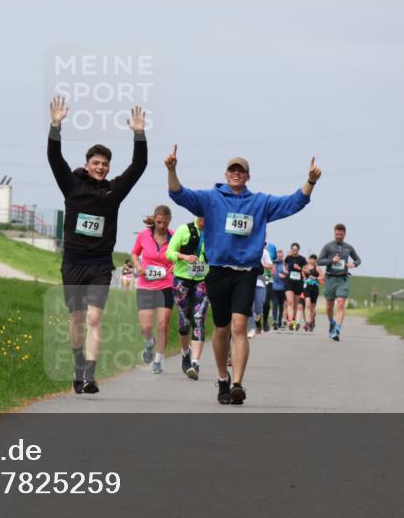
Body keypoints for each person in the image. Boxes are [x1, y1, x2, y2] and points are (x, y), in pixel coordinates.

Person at [167, 146, 320, 405]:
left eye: (241, 171)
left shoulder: (259, 202)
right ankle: (222, 378)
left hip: (246, 273)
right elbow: (178, 194)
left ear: (248, 176)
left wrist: (311, 182)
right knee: (221, 328)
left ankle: (237, 383)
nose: (236, 174)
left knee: (239, 326)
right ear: (226, 174)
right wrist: (171, 169)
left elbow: (293, 203)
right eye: (232, 170)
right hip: (217, 271)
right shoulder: (211, 199)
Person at [47, 95, 147, 394]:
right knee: (77, 318)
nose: (101, 168)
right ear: (87, 165)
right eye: (96, 163)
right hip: (74, 262)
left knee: (93, 317)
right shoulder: (72, 186)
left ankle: (90, 375)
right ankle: (78, 367)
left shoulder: (114, 191)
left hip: (101, 264)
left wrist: (139, 134)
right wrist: (55, 126)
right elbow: (54, 159)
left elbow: (139, 166)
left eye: (105, 164)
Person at [131, 206, 175, 374]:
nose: (161, 226)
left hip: (166, 285)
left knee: (163, 325)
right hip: (145, 285)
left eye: (165, 222)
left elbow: (180, 256)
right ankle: (149, 343)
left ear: (169, 220)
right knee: (146, 327)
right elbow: (134, 254)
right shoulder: (144, 235)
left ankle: (158, 360)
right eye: (158, 222)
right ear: (154, 220)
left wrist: (175, 266)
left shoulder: (174, 237)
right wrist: (138, 266)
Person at [166, 216, 209, 379]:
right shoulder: (184, 229)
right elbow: (169, 253)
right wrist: (185, 257)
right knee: (184, 323)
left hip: (202, 280)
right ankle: (185, 355)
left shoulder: (213, 232)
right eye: (203, 218)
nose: (205, 221)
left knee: (198, 319)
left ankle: (195, 362)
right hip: (182, 280)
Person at [318, 223, 362, 341]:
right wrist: (331, 261)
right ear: (334, 233)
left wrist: (354, 264)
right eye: (337, 234)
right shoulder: (328, 246)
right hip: (330, 278)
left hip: (343, 278)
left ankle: (337, 329)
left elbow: (358, 259)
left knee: (341, 303)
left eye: (341, 234)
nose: (339, 236)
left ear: (344, 234)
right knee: (329, 306)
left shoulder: (349, 247)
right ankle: (332, 322)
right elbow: (319, 261)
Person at [251, 244, 274, 337]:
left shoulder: (264, 252)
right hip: (248, 281)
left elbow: (271, 265)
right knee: (250, 306)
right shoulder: (248, 249)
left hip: (261, 281)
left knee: (260, 307)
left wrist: (262, 264)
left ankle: (260, 320)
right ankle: (253, 328)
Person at [284, 243, 308, 331]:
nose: (294, 252)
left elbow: (307, 270)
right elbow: (285, 266)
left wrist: (299, 268)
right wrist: (286, 271)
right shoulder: (288, 258)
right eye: (293, 250)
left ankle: (293, 319)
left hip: (298, 283)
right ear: (291, 250)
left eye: (296, 250)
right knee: (290, 302)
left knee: (295, 303)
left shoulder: (302, 259)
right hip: (289, 282)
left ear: (298, 250)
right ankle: (291, 321)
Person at [303, 254, 322, 332]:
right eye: (311, 258)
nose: (313, 260)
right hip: (307, 287)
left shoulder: (317, 268)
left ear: (316, 260)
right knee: (307, 304)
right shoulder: (305, 267)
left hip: (314, 288)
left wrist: (315, 278)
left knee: (312, 307)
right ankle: (307, 322)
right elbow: (303, 275)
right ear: (309, 259)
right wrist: (304, 277)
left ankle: (312, 320)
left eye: (314, 259)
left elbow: (322, 277)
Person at [271, 249, 286, 331]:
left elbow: (287, 272)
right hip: (275, 287)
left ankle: (280, 320)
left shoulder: (284, 263)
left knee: (281, 306)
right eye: (278, 256)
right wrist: (275, 268)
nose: (279, 258)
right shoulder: (274, 263)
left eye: (281, 256)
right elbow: (272, 273)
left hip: (283, 288)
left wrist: (284, 274)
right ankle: (274, 321)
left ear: (282, 257)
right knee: (275, 305)